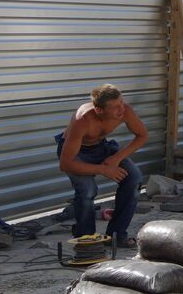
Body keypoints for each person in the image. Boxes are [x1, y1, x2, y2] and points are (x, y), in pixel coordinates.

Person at [56, 84, 147, 247]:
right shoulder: (82, 120)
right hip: (76, 153)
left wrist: (116, 158)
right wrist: (103, 169)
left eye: (122, 103)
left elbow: (142, 135)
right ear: (99, 110)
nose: (122, 110)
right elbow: (66, 164)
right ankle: (86, 238)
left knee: (134, 179)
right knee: (87, 190)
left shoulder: (125, 111)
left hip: (101, 146)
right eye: (116, 107)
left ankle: (116, 235)